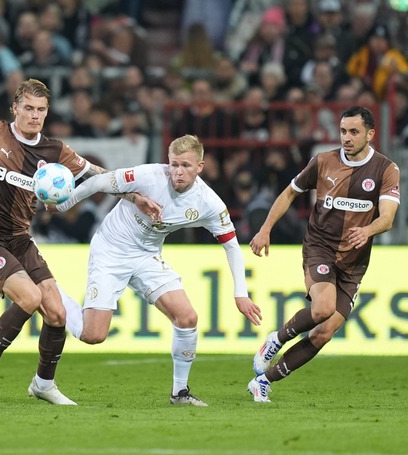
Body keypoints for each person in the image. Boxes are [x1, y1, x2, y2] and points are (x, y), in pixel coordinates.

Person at [0, 78, 161, 406]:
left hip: (19, 239)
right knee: (30, 297)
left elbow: (97, 176)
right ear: (15, 108)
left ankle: (43, 384)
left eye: (41, 110)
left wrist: (135, 197)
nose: (34, 116)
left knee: (57, 313)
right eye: (29, 109)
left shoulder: (54, 151)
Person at [49, 134, 263, 406]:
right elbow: (98, 182)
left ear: (200, 167)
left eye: (186, 165)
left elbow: (232, 247)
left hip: (147, 255)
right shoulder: (149, 176)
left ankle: (180, 393)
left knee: (187, 318)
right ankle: (52, 293)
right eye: (174, 164)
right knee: (94, 335)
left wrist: (240, 293)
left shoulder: (208, 202)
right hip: (111, 249)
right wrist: (63, 204)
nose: (178, 172)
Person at [248, 106, 400, 403]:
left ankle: (263, 381)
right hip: (320, 247)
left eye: (354, 132)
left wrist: (368, 231)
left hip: (354, 263)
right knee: (322, 309)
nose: (346, 137)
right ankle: (275, 339)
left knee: (323, 333)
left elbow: (388, 218)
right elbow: (290, 192)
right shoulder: (323, 162)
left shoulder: (385, 169)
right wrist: (265, 229)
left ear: (370, 134)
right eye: (343, 131)